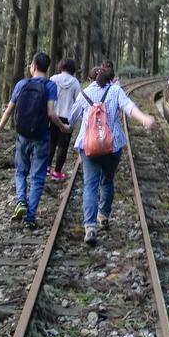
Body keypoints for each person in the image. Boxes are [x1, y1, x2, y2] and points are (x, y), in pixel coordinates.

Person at [69, 66, 155, 245]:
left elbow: (71, 119)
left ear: (91, 79)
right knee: (107, 180)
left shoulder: (84, 93)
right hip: (112, 145)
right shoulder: (116, 90)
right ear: (110, 79)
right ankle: (103, 215)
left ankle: (90, 228)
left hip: (89, 146)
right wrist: (144, 119)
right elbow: (129, 108)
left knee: (90, 185)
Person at [0, 51, 70, 228]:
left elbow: (9, 110)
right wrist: (62, 127)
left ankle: (21, 201)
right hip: (42, 137)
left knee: (20, 171)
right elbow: (51, 113)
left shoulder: (22, 84)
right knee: (37, 177)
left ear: (34, 66)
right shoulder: (50, 86)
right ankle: (30, 217)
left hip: (22, 136)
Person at [48, 58, 81, 181]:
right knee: (63, 145)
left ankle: (47, 167)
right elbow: (78, 101)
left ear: (61, 66)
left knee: (51, 141)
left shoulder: (53, 79)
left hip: (53, 115)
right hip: (67, 117)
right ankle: (57, 172)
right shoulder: (75, 82)